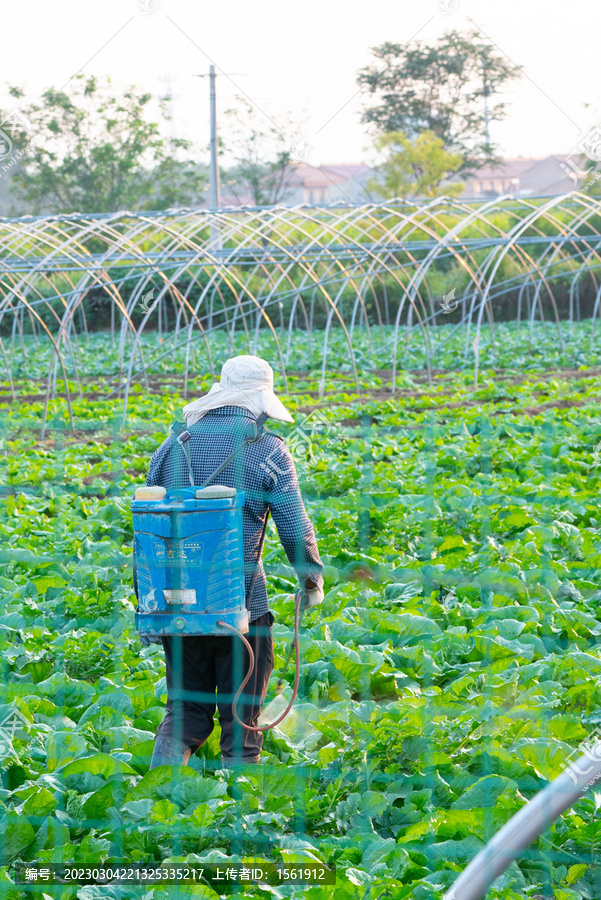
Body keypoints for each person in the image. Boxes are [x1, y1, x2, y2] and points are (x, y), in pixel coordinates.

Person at [145, 355, 324, 769]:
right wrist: (311, 583)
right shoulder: (269, 450)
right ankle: (239, 817)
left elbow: (148, 532)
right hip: (242, 607)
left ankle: (158, 803)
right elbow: (295, 530)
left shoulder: (172, 447)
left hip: (179, 604)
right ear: (259, 401)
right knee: (242, 719)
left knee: (184, 712)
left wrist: (150, 604)